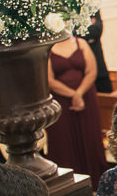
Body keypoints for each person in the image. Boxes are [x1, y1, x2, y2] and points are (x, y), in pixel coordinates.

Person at [46, 33, 108, 187]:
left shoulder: (81, 43)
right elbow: (49, 80)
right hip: (61, 102)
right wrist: (73, 95)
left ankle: (95, 180)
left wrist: (79, 93)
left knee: (90, 136)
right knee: (64, 141)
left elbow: (92, 71)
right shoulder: (47, 48)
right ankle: (69, 185)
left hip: (86, 97)